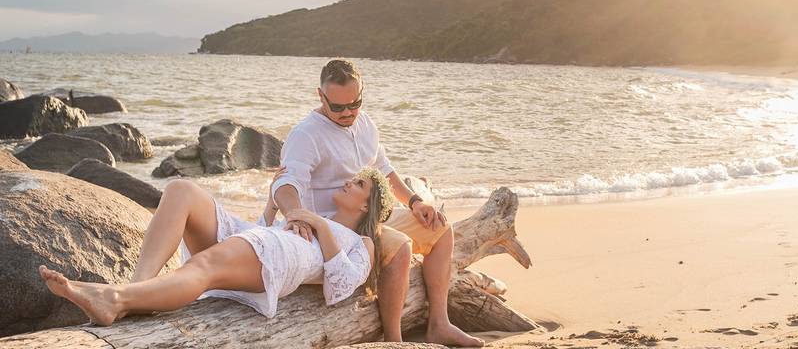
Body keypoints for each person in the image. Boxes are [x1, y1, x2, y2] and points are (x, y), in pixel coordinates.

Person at [272, 58, 484, 346]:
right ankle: (393, 341)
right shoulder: (305, 134)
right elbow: (287, 182)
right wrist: (295, 214)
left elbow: (383, 168)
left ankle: (439, 324)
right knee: (399, 246)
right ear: (320, 96)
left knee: (438, 227)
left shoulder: (366, 123)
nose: (347, 112)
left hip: (369, 215)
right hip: (336, 228)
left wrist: (414, 202)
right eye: (337, 107)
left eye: (354, 103)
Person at [39, 166, 395, 325]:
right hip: (265, 241)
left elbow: (342, 287)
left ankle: (115, 300)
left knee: (203, 267)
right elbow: (261, 232)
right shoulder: (314, 216)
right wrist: (273, 205)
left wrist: (319, 225)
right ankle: (136, 288)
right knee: (181, 191)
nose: (349, 183)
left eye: (358, 184)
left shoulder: (361, 241)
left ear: (367, 205)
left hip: (284, 257)